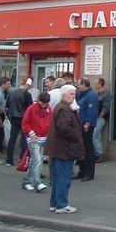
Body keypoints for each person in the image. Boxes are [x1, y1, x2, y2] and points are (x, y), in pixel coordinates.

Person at [46, 84, 85, 214]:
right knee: (63, 178)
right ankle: (62, 204)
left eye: (74, 94)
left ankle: (55, 203)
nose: (73, 96)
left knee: (58, 178)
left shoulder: (62, 107)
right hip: (64, 149)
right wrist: (76, 137)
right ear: (63, 95)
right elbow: (64, 128)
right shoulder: (64, 109)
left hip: (59, 148)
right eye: (71, 94)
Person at [21, 91, 51, 192]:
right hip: (33, 138)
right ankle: (37, 183)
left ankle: (27, 182)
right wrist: (31, 133)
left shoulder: (47, 108)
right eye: (43, 103)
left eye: (46, 103)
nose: (44, 105)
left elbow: (49, 122)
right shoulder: (31, 109)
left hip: (42, 137)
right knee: (37, 160)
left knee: (36, 161)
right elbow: (25, 123)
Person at [5, 78, 32, 166]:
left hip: (13, 117)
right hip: (23, 118)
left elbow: (7, 106)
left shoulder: (12, 93)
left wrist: (9, 116)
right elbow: (30, 109)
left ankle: (9, 160)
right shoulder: (27, 95)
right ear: (27, 85)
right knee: (24, 139)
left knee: (12, 138)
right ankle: (22, 159)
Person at [76, 78, 98, 181]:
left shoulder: (91, 95)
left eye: (79, 85)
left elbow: (92, 110)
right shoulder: (82, 94)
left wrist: (88, 123)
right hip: (80, 124)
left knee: (88, 149)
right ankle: (82, 170)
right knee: (81, 148)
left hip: (87, 125)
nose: (78, 87)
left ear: (84, 84)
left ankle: (89, 173)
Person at [94, 78, 110, 163]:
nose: (94, 85)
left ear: (100, 84)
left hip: (101, 117)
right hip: (95, 117)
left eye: (96, 83)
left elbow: (106, 106)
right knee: (97, 135)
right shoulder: (96, 94)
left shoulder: (106, 93)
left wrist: (101, 115)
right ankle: (97, 153)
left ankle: (99, 153)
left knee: (94, 134)